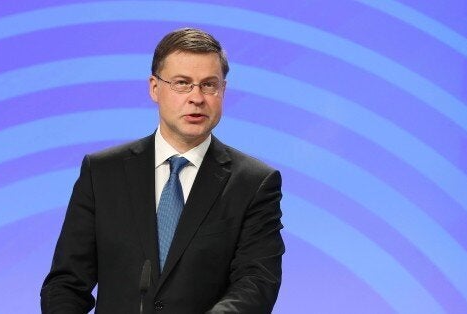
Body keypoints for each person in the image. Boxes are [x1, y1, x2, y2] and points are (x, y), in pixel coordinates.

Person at [40, 27, 285, 314]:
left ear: (223, 91)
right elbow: (66, 284)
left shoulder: (254, 183)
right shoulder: (102, 173)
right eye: (182, 83)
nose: (197, 97)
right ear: (154, 88)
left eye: (209, 85)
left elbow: (256, 284)